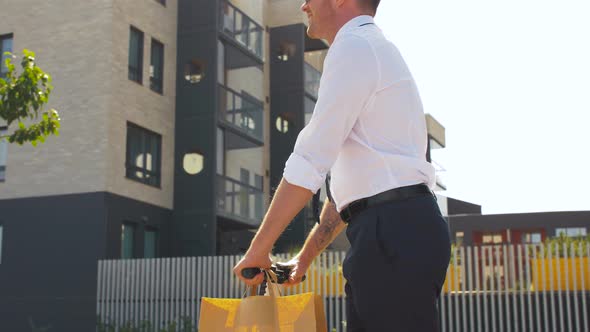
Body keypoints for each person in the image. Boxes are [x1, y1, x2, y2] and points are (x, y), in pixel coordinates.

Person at [233, 0, 451, 331]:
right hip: (391, 228)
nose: (304, 5)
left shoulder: (354, 48)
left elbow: (310, 159)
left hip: (391, 232)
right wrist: (302, 261)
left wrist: (258, 250)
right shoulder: (369, 49)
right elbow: (351, 191)